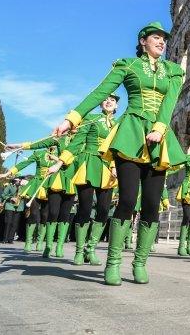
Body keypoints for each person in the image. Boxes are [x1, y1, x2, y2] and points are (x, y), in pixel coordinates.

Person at [52, 21, 188, 285]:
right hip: (131, 133)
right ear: (143, 41)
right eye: (156, 38)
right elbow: (100, 92)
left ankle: (139, 263)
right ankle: (112, 263)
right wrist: (72, 118)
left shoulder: (173, 71)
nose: (162, 42)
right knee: (126, 200)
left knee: (150, 204)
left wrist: (160, 129)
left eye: (164, 39)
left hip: (159, 137)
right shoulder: (128, 65)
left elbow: (170, 101)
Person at [55, 94, 120, 265]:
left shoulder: (118, 124)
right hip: (89, 163)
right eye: (105, 99)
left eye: (112, 100)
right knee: (84, 208)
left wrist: (114, 165)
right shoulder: (91, 119)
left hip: (107, 168)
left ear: (117, 106)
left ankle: (91, 249)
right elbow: (76, 142)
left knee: (104, 209)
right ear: (101, 104)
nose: (108, 101)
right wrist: (60, 162)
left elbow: (117, 147)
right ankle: (79, 249)